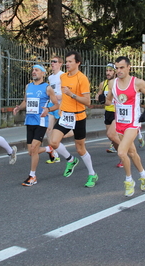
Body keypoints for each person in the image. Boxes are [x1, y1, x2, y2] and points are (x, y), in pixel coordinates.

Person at [103, 56, 145, 197]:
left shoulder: (137, 82)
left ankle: (129, 180)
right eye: (117, 68)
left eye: (121, 68)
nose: (118, 70)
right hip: (120, 123)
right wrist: (103, 100)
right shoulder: (112, 84)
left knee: (121, 152)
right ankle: (144, 175)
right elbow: (108, 101)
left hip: (133, 123)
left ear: (128, 68)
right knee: (131, 153)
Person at [49, 51, 98, 188]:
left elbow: (87, 101)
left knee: (80, 148)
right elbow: (63, 96)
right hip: (65, 115)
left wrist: (72, 95)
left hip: (78, 116)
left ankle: (92, 174)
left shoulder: (82, 78)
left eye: (70, 61)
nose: (67, 64)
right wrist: (60, 108)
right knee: (53, 141)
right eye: (67, 61)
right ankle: (70, 160)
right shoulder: (63, 77)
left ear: (78, 63)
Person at [13, 64, 59, 186]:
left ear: (43, 73)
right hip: (29, 121)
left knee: (33, 149)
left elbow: (56, 104)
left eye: (37, 70)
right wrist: (19, 107)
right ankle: (49, 149)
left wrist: (48, 110)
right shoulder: (28, 86)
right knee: (30, 151)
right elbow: (25, 101)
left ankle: (32, 176)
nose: (34, 72)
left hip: (41, 121)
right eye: (33, 70)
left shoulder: (47, 88)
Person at [44, 56, 64, 164]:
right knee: (48, 129)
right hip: (52, 105)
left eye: (55, 62)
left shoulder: (63, 75)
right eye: (51, 61)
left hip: (61, 106)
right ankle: (54, 154)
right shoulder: (50, 78)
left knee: (63, 129)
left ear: (60, 64)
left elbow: (66, 91)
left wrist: (59, 96)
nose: (52, 63)